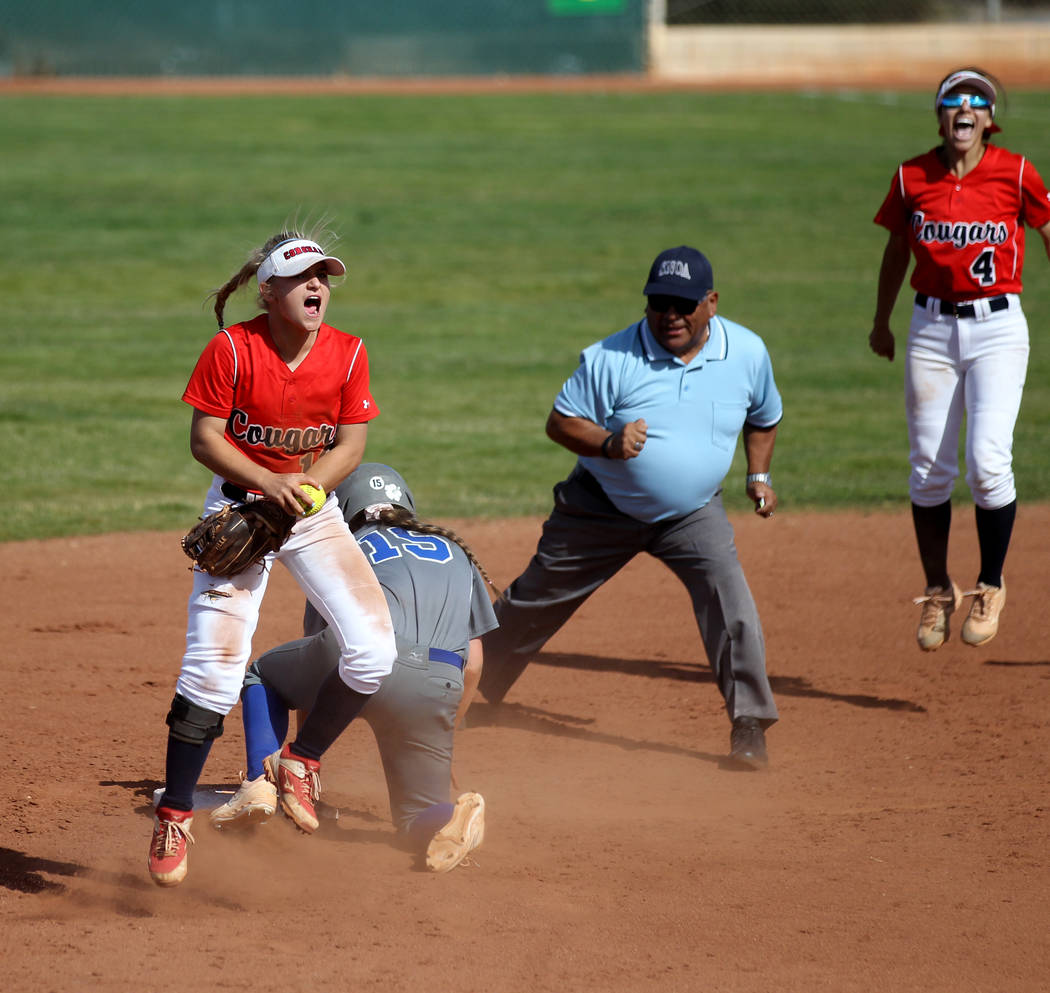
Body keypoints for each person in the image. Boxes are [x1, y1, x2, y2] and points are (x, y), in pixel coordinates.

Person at [149, 229, 398, 887]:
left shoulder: (347, 353)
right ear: (269, 290)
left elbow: (351, 442)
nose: (316, 285)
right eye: (301, 276)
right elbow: (204, 438)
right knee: (212, 672)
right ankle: (175, 812)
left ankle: (301, 760)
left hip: (311, 514)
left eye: (324, 276)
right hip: (240, 514)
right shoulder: (233, 349)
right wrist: (268, 479)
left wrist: (308, 486)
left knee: (375, 650)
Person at [475, 245, 782, 769]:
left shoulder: (747, 353)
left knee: (732, 607)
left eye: (684, 304)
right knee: (532, 602)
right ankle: (461, 690)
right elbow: (560, 422)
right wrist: (609, 445)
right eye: (659, 302)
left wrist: (758, 475)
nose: (671, 315)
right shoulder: (611, 358)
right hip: (601, 508)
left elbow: (764, 414)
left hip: (692, 515)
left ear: (711, 302)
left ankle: (749, 724)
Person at [207, 463, 499, 872]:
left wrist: (307, 757)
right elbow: (474, 663)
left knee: (264, 675)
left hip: (366, 663)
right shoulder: (455, 551)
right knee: (415, 819)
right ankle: (450, 820)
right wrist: (442, 729)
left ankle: (263, 784)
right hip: (438, 683)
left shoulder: (340, 547)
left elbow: (323, 658)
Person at [869, 67, 1050, 652]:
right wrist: (881, 321)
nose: (964, 109)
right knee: (928, 469)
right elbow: (897, 249)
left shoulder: (1017, 171)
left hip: (998, 327)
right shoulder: (911, 176)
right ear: (941, 115)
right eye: (953, 100)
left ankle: (991, 583)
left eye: (977, 101)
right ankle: (937, 591)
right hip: (930, 328)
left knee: (987, 462)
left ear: (989, 120)